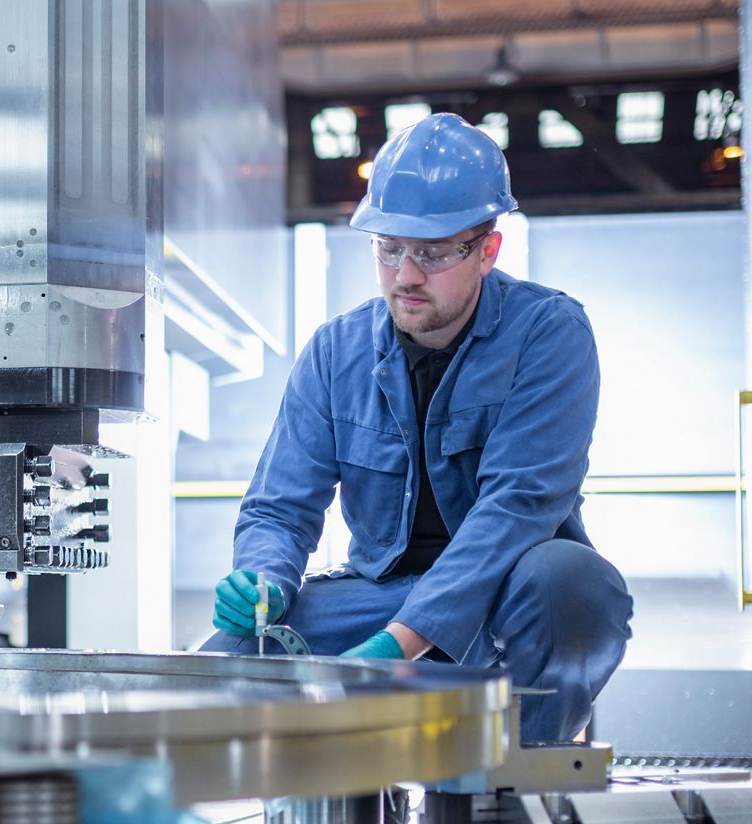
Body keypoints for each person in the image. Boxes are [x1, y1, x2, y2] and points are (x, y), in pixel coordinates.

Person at [200, 113, 633, 742]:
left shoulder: (549, 334)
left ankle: (515, 782)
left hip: (506, 596)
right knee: (233, 656)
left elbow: (516, 507)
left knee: (571, 584)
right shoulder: (335, 351)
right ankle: (313, 799)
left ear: (488, 250)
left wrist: (397, 645)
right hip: (381, 595)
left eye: (430, 253)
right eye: (389, 248)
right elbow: (280, 508)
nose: (405, 275)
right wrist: (264, 579)